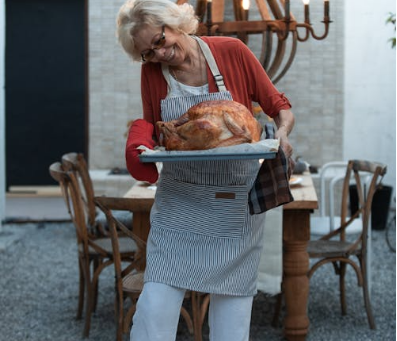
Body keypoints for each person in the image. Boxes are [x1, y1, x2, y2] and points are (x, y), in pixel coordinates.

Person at [117, 0, 295, 340]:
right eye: (147, 53)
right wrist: (140, 145)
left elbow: (280, 108)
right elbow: (160, 131)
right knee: (154, 310)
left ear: (175, 23)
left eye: (159, 40)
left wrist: (282, 136)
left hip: (233, 207)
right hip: (178, 206)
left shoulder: (232, 52)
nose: (159, 54)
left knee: (232, 320)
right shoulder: (152, 72)